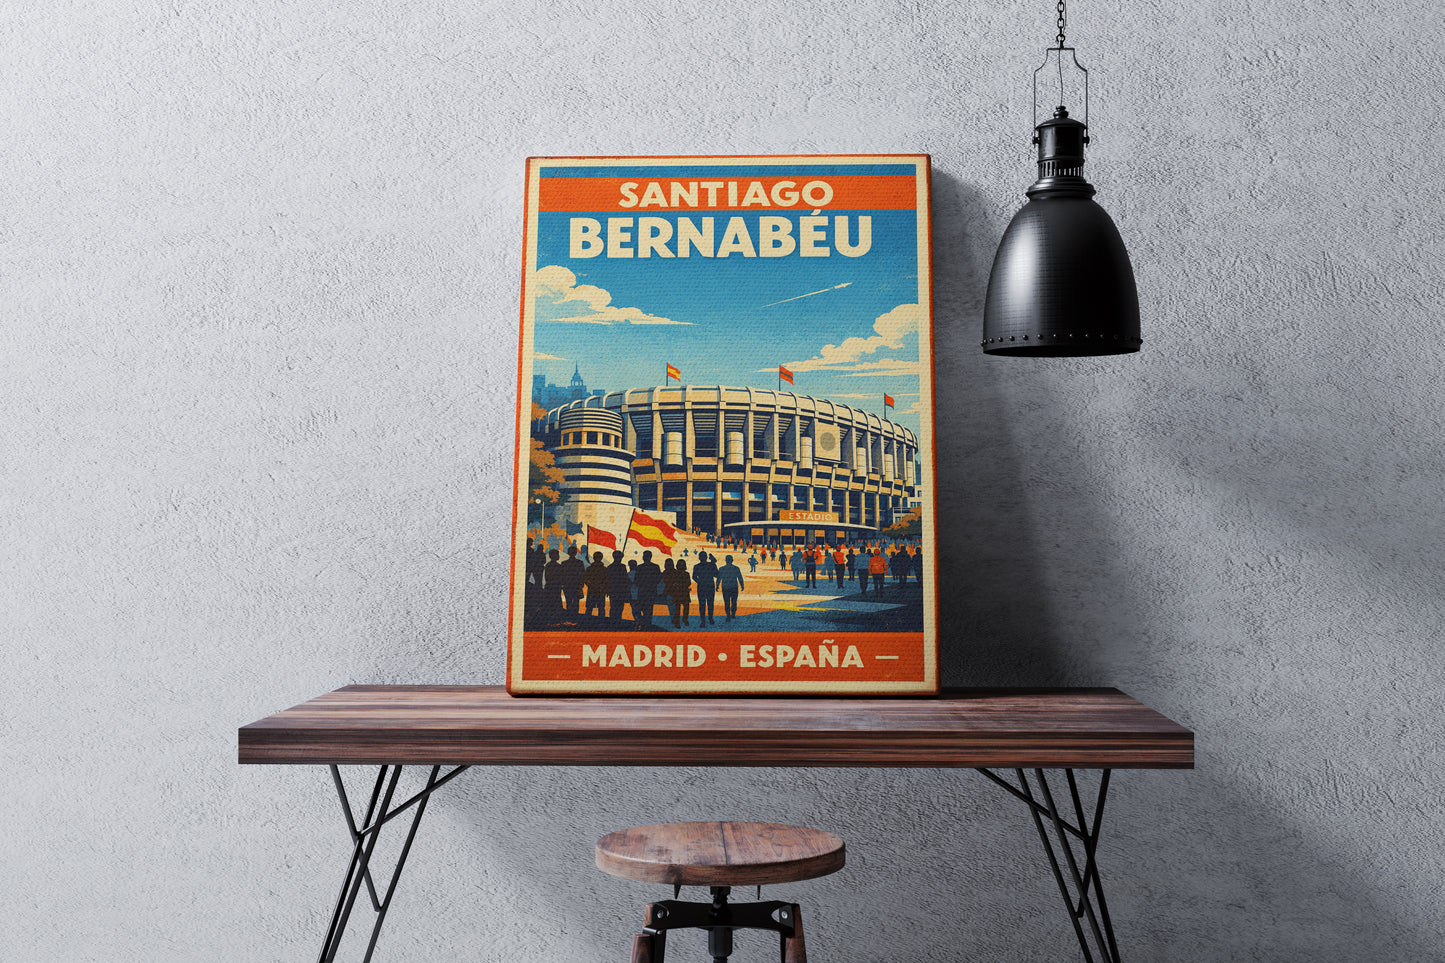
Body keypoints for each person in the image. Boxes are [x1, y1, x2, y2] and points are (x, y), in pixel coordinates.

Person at [632, 551, 662, 626]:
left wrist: (642, 585)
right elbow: (658, 579)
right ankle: (647, 625)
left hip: (642, 592)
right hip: (651, 592)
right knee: (648, 611)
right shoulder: (655, 567)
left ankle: (643, 623)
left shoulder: (639, 567)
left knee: (640, 609)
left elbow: (636, 580)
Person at [557, 544, 585, 613]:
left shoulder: (564, 563)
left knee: (568, 602)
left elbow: (561, 575)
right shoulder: (580, 563)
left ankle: (569, 617)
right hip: (577, 586)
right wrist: (581, 585)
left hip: (567, 586)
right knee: (576, 603)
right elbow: (582, 575)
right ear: (576, 553)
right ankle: (575, 617)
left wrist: (562, 585)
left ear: (568, 553)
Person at [693, 551, 718, 626]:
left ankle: (704, 620)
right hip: (709, 586)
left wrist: (699, 581)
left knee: (702, 604)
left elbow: (694, 577)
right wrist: (713, 563)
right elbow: (716, 574)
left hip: (702, 587)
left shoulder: (697, 566)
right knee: (709, 604)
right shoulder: (710, 565)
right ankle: (710, 619)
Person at [717, 554, 745, 621]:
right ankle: (733, 614)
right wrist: (742, 585)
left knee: (726, 602)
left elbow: (719, 578)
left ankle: (728, 615)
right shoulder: (736, 568)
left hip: (725, 587)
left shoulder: (721, 569)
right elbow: (740, 578)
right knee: (734, 601)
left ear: (726, 560)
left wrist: (717, 586)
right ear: (732, 560)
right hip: (734, 587)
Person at [606, 550, 632, 622]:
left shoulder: (610, 567)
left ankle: (613, 621)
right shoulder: (622, 567)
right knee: (619, 607)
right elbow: (625, 579)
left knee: (613, 607)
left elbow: (607, 580)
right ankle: (617, 621)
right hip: (620, 591)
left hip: (613, 590)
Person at [666, 558, 693, 627]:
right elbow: (673, 582)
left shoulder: (686, 574)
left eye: (682, 565)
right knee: (677, 608)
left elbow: (688, 582)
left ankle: (684, 619)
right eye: (680, 565)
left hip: (683, 592)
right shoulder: (675, 573)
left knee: (685, 607)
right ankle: (677, 621)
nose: (681, 566)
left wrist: (680, 585)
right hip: (678, 592)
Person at [584, 551, 608, 617]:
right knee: (596, 608)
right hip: (598, 591)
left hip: (596, 590)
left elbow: (606, 581)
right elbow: (585, 579)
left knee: (594, 608)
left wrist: (592, 585)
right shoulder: (604, 569)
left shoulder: (590, 568)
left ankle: (588, 622)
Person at [660, 558, 677, 625]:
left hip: (669, 592)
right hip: (675, 592)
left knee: (671, 608)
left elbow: (664, 582)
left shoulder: (665, 572)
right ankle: (675, 620)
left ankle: (673, 620)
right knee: (675, 607)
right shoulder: (676, 572)